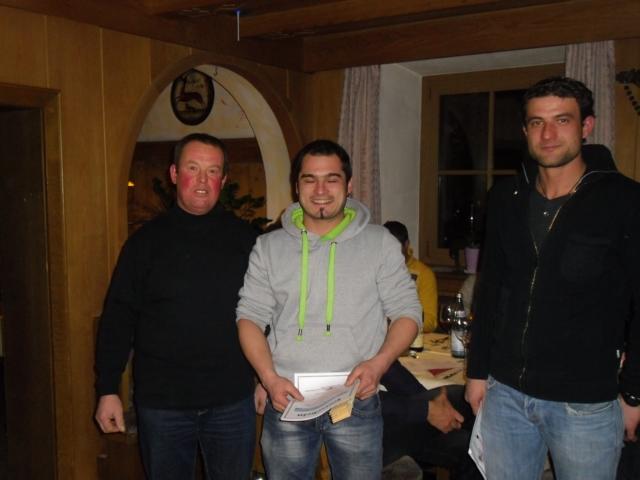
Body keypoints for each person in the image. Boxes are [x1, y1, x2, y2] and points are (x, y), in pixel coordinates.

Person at [465, 76, 640, 480]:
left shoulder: (625, 200)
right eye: (537, 122)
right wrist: (477, 373)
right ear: (525, 130)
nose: (548, 134)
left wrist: (633, 392)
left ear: (586, 126)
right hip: (505, 394)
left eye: (562, 120)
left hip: (585, 402)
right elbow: (490, 291)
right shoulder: (505, 198)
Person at [236, 139, 422, 479]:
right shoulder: (268, 246)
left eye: (331, 179)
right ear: (297, 186)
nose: (320, 190)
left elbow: (408, 312)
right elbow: (249, 317)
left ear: (349, 185)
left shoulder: (380, 243)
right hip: (287, 398)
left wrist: (379, 365)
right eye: (310, 179)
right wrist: (268, 378)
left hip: (356, 399)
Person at [94, 133, 258, 480]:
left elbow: (267, 316)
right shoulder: (144, 244)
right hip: (162, 404)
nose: (202, 180)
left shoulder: (249, 241)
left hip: (231, 400)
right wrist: (107, 389)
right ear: (174, 173)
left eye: (212, 171)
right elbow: (118, 318)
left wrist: (265, 377)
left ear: (224, 179)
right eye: (192, 168)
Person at [380, 360, 482, 479]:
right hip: (369, 429)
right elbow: (363, 403)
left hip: (391, 411)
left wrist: (432, 404)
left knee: (464, 398)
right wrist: (426, 409)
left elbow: (385, 367)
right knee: (472, 449)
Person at [383, 220, 438, 333]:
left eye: (395, 248)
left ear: (406, 244)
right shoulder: (374, 270)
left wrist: (398, 320)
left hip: (410, 335)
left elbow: (430, 321)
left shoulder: (424, 273)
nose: (389, 253)